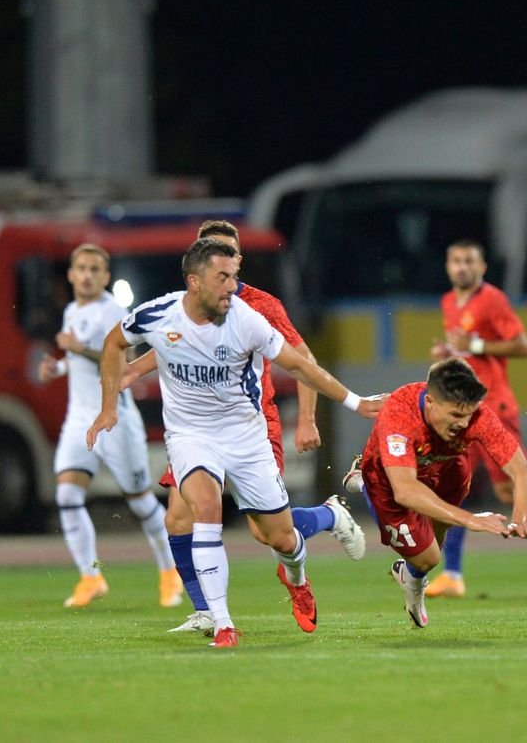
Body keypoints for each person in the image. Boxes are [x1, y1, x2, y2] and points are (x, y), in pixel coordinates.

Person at [87, 238, 383, 648]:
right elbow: (116, 342)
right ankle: (221, 623)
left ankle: (298, 575)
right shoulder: (159, 313)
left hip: (246, 436)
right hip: (191, 436)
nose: (232, 285)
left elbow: (300, 363)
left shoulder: (250, 317)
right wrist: (108, 406)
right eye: (223, 277)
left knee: (277, 537)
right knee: (198, 510)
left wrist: (355, 402)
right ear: (194, 281)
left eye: (235, 275)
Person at [36, 243, 181, 609]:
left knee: (140, 500)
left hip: (116, 418)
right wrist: (60, 366)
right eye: (80, 268)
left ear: (105, 276)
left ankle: (170, 571)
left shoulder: (113, 311)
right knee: (67, 496)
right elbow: (82, 360)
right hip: (79, 417)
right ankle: (90, 577)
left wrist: (78, 347)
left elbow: (122, 357)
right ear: (70, 274)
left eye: (94, 269)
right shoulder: (71, 310)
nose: (86, 275)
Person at [424, 239, 527, 598]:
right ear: (447, 265)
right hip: (460, 412)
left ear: (482, 267)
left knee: (508, 488)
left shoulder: (492, 300)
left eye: (469, 261)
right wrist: (449, 353)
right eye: (456, 261)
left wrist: (474, 346)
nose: (462, 267)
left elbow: (523, 345)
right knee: (454, 484)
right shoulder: (447, 302)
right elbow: (464, 350)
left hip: (494, 407)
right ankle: (453, 574)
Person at [356, 357, 527, 628]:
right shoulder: (399, 413)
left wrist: (521, 518)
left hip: (445, 468)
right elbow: (405, 491)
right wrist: (471, 519)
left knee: (435, 542)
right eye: (456, 415)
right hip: (390, 478)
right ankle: (361, 480)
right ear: (429, 401)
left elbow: (522, 471)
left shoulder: (475, 413)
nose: (464, 424)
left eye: (469, 415)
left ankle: (412, 580)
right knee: (428, 557)